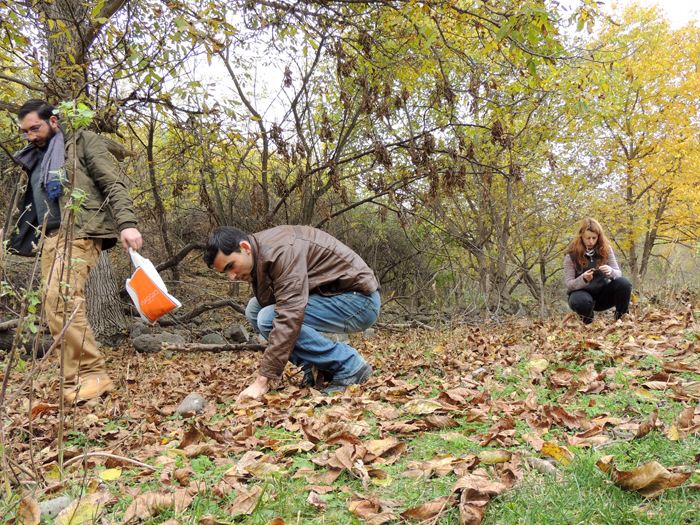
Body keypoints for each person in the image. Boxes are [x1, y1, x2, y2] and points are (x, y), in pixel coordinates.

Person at [2, 99, 142, 402]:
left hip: (81, 229)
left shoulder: (82, 142)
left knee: (61, 298)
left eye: (35, 128)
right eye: (25, 131)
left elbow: (112, 183)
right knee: (53, 306)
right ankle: (74, 383)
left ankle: (93, 376)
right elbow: (30, 204)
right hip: (49, 239)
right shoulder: (32, 156)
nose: (30, 136)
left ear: (53, 121)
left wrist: (127, 223)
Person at [203, 225, 381, 400]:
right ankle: (314, 367)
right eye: (224, 272)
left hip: (360, 302)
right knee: (254, 309)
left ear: (245, 247)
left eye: (230, 266)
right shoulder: (261, 253)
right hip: (332, 296)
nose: (231, 277)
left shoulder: (281, 251)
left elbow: (289, 315)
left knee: (268, 318)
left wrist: (261, 381)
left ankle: (350, 365)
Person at [564, 218, 631, 324]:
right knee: (580, 300)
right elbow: (569, 284)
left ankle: (622, 320)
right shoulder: (571, 255)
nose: (591, 241)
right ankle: (588, 323)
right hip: (581, 297)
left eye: (594, 238)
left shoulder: (606, 249)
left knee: (624, 283)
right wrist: (584, 279)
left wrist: (610, 272)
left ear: (599, 237)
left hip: (603, 296)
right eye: (588, 238)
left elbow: (618, 273)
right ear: (581, 236)